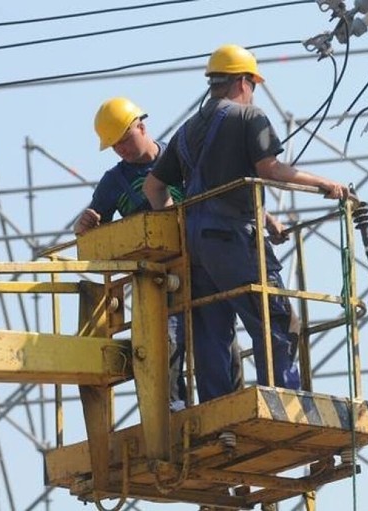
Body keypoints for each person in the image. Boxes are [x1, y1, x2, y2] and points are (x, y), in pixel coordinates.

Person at [144, 44, 350, 403]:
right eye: (252, 83)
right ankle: (283, 399)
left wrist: (178, 227)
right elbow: (269, 170)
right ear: (242, 81)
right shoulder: (249, 116)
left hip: (195, 245)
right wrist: (325, 184)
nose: (252, 90)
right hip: (234, 241)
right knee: (275, 319)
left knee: (212, 330)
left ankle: (219, 412)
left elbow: (153, 186)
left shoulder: (187, 130)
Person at [75, 96, 242, 410]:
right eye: (115, 146)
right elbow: (94, 233)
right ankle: (172, 412)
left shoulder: (182, 156)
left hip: (202, 265)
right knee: (161, 343)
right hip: (156, 279)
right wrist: (84, 226)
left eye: (125, 139)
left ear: (142, 125)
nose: (122, 149)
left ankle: (228, 407)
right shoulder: (114, 182)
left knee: (220, 338)